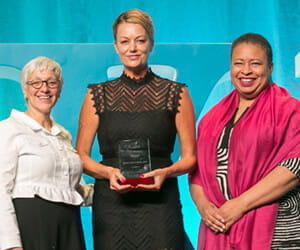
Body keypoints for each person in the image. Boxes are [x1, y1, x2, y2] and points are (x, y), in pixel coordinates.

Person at [76, 9, 196, 250]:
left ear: (151, 44)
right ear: (115, 46)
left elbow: (191, 158)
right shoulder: (96, 95)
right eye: (125, 41)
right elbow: (81, 156)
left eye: (140, 40)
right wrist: (107, 172)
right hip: (112, 207)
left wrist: (167, 172)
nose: (132, 48)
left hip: (161, 205)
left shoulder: (176, 93)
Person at [189, 33, 300, 249]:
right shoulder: (212, 118)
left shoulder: (290, 111)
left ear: (270, 68)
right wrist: (204, 207)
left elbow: (294, 167)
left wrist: (239, 205)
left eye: (256, 64)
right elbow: (198, 173)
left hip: (278, 230)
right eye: (238, 63)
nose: (246, 71)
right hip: (220, 227)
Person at [0, 56, 86, 250]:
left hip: (69, 224)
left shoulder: (63, 135)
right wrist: (11, 245)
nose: (44, 89)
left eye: (51, 83)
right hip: (32, 224)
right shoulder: (8, 129)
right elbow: (0, 190)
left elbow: (72, 187)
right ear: (25, 89)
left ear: (60, 89)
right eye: (36, 83)